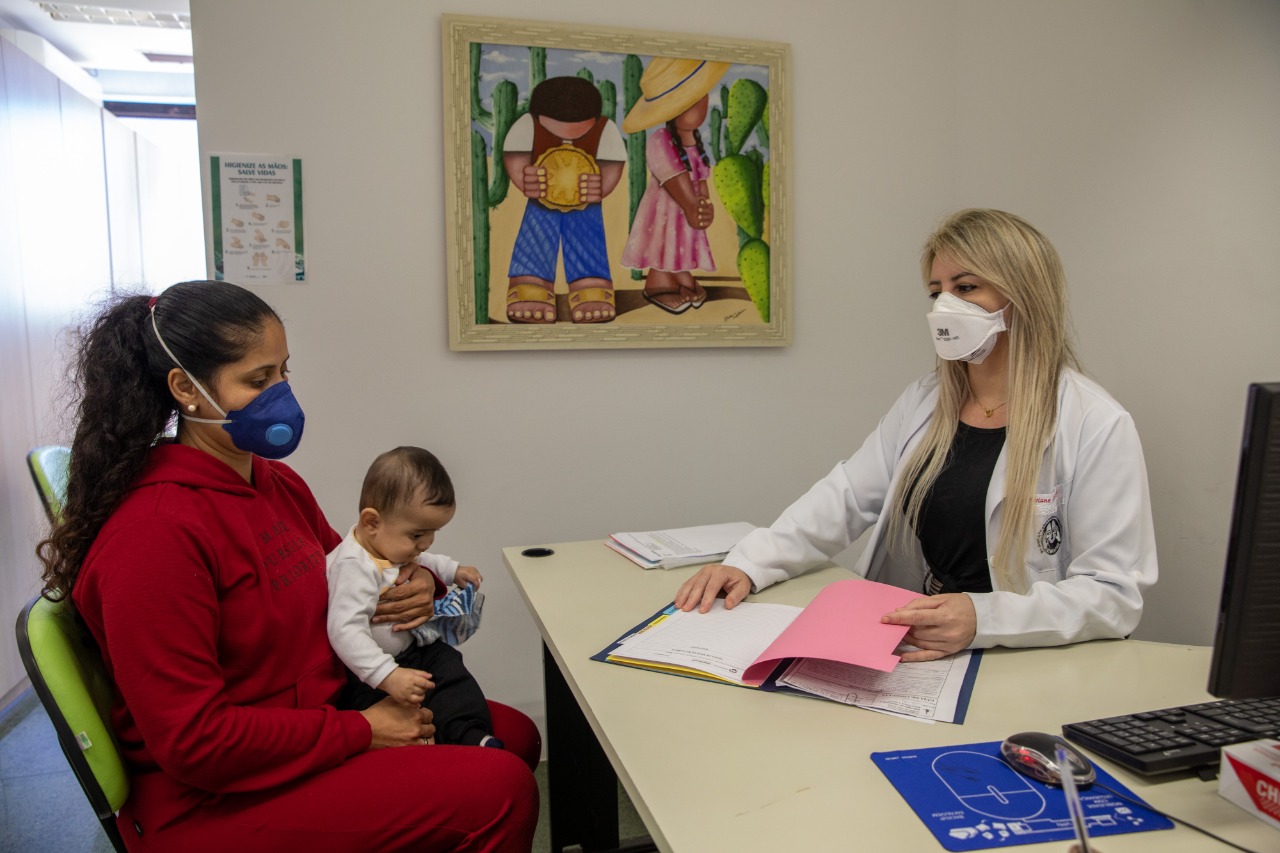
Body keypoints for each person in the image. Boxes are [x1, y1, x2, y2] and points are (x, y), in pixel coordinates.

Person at [36, 281, 539, 851]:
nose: (282, 396)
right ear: (186, 389)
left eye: (283, 373)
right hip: (210, 800)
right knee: (499, 788)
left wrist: (416, 578)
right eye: (258, 380)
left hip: (316, 713)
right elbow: (195, 742)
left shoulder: (272, 482)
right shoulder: (153, 537)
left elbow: (353, 567)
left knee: (515, 736)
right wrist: (361, 730)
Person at [676, 209, 1158, 661]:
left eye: (967, 287)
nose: (947, 305)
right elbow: (845, 497)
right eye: (937, 291)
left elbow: (1113, 597)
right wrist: (748, 564)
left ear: (1024, 294)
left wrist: (983, 618)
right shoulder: (926, 401)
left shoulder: (1094, 423)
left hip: (1028, 655)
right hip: (927, 651)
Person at [328, 446, 499, 748]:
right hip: (370, 673)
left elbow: (425, 561)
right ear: (372, 522)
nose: (425, 543)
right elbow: (344, 631)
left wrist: (453, 569)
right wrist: (387, 675)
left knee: (450, 669)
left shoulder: (388, 546)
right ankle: (428, 750)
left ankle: (472, 734)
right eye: (418, 535)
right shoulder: (353, 568)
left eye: (433, 533)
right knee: (400, 710)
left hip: (413, 651)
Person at [503, 75, 627, 324]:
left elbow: (614, 163)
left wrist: (601, 186)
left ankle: (590, 281)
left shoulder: (605, 129)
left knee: (587, 234)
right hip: (542, 199)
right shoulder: (528, 124)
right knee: (535, 231)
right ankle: (531, 279)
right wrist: (524, 177)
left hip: (586, 202)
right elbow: (514, 155)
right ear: (539, 118)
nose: (568, 140)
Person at [620, 57, 728, 314]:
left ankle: (681, 276)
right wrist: (691, 204)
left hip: (687, 212)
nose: (700, 105)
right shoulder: (660, 139)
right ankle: (658, 282)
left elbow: (700, 177)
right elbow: (671, 176)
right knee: (664, 240)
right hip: (666, 210)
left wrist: (703, 205)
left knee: (683, 241)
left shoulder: (694, 143)